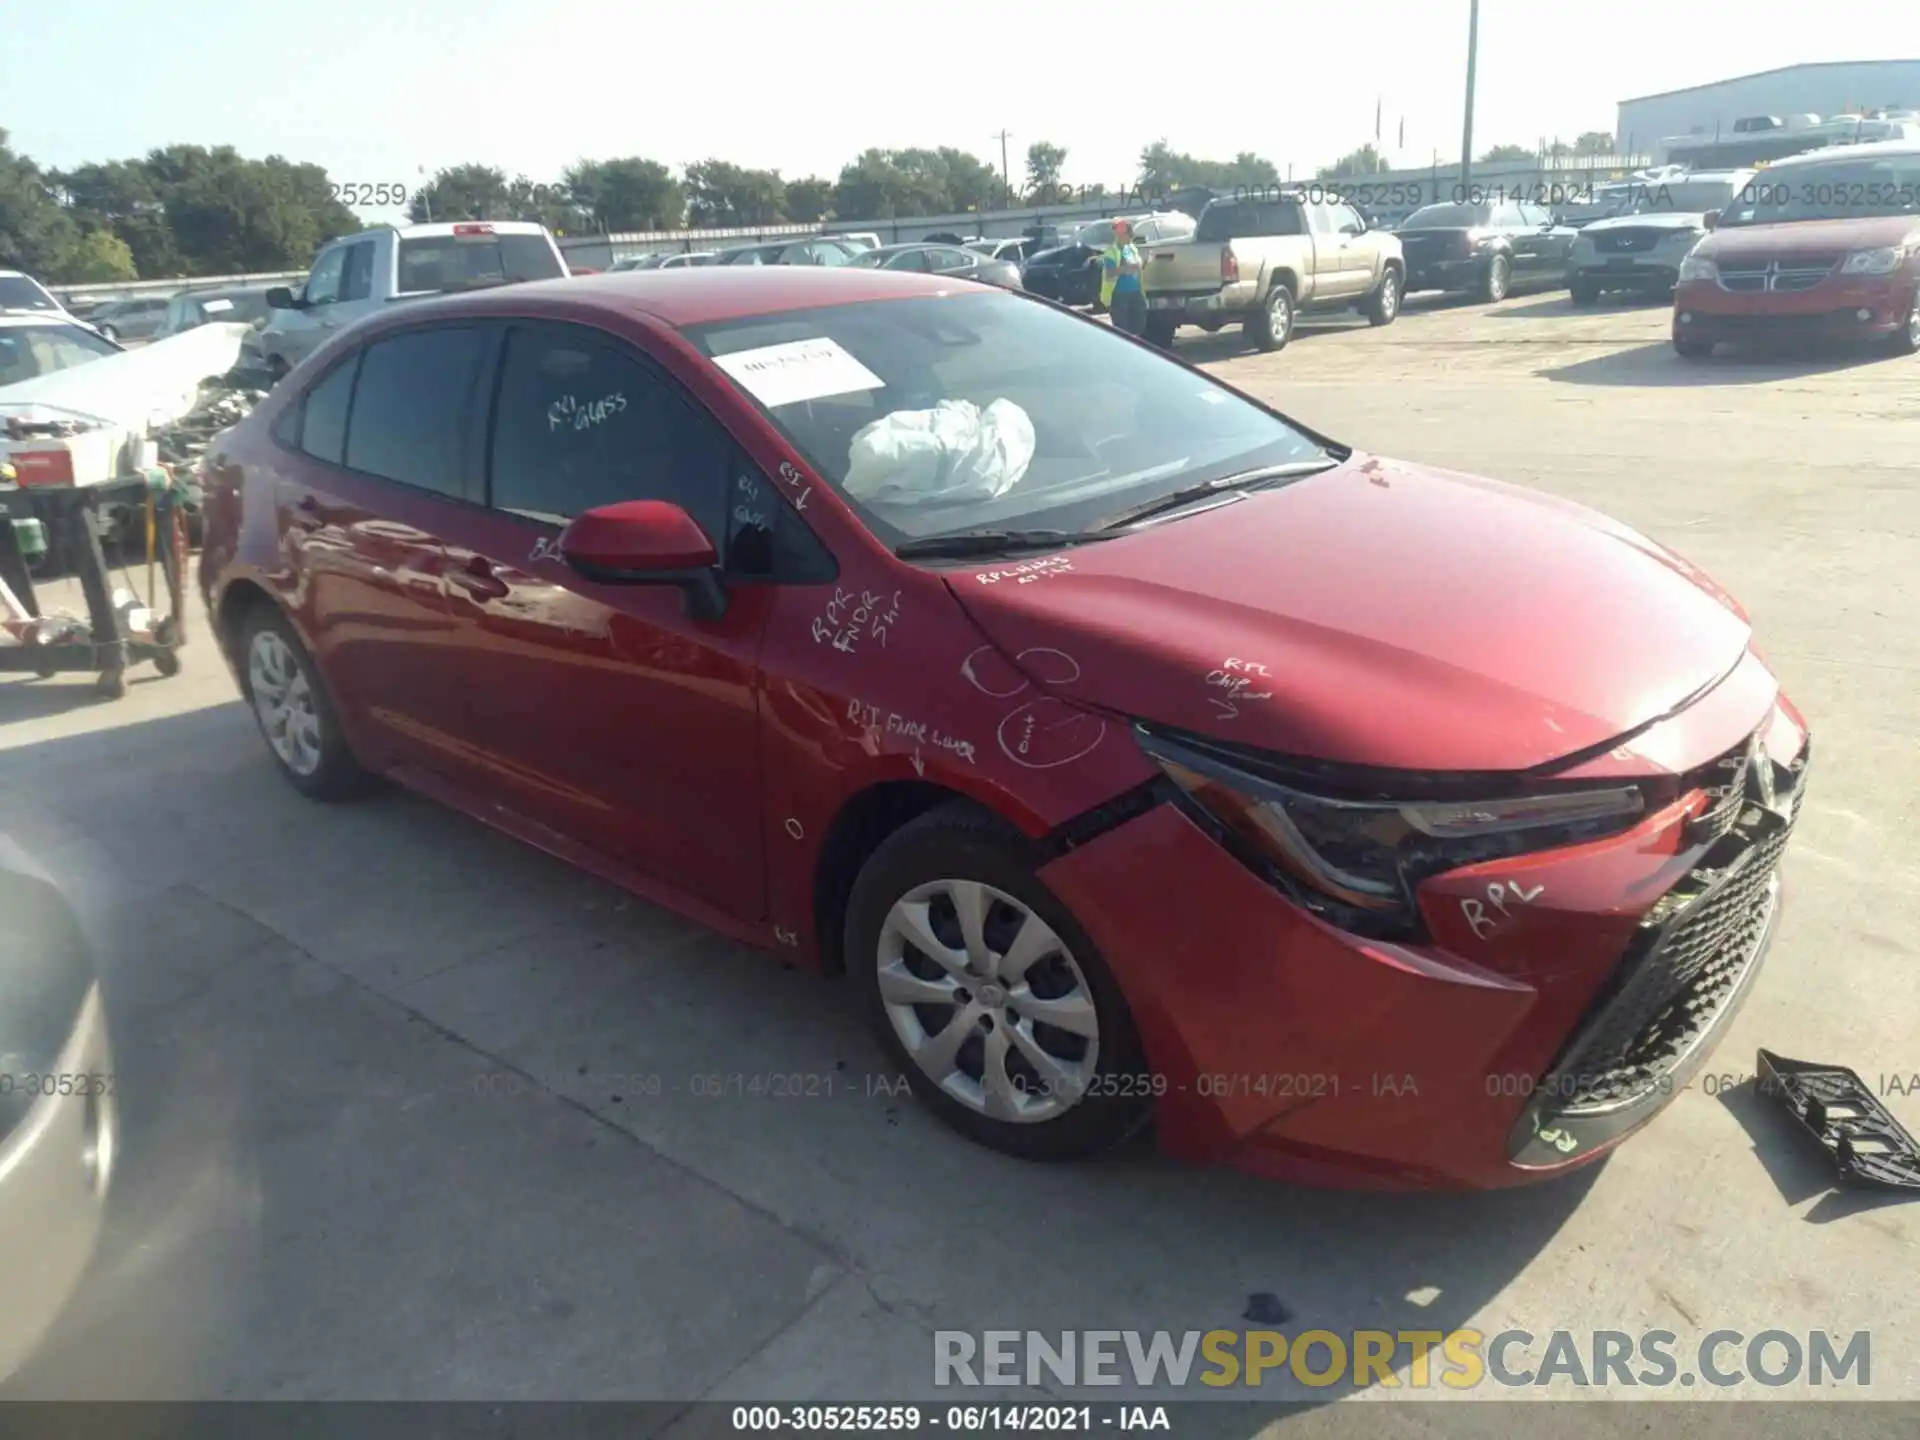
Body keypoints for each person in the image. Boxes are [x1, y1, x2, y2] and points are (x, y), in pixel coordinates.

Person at [1100, 220, 1146, 336]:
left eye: (1131, 234)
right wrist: (1127, 268)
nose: (1131, 237)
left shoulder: (1132, 248)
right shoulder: (1112, 251)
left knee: (1138, 328)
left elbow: (1138, 267)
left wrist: (1143, 264)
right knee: (1122, 331)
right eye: (1128, 234)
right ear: (1120, 234)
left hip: (1135, 293)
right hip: (1119, 295)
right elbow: (1109, 273)